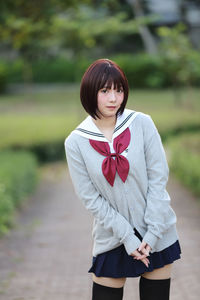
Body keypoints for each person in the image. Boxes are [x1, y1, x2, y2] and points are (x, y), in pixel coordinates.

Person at [64, 58, 181, 300]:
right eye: (104, 91)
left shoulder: (142, 124)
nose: (113, 98)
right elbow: (90, 198)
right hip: (112, 237)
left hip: (156, 232)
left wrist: (152, 233)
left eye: (118, 90)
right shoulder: (76, 142)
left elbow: (158, 180)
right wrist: (128, 236)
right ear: (89, 92)